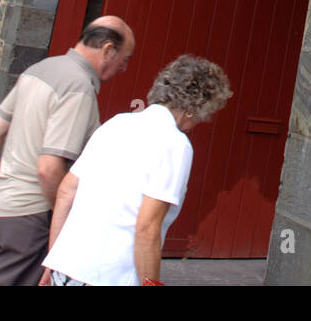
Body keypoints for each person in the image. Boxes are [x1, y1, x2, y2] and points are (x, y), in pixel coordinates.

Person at [0, 16, 136, 285]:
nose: (124, 67)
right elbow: (48, 169)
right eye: (124, 58)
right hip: (33, 216)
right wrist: (64, 221)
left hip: (5, 208)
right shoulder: (78, 87)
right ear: (107, 50)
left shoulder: (41, 69)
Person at [41, 54, 232, 286]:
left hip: (67, 267)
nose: (205, 119)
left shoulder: (116, 123)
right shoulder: (175, 144)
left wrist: (54, 260)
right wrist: (152, 284)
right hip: (111, 275)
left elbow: (66, 192)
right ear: (195, 107)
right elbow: (147, 227)